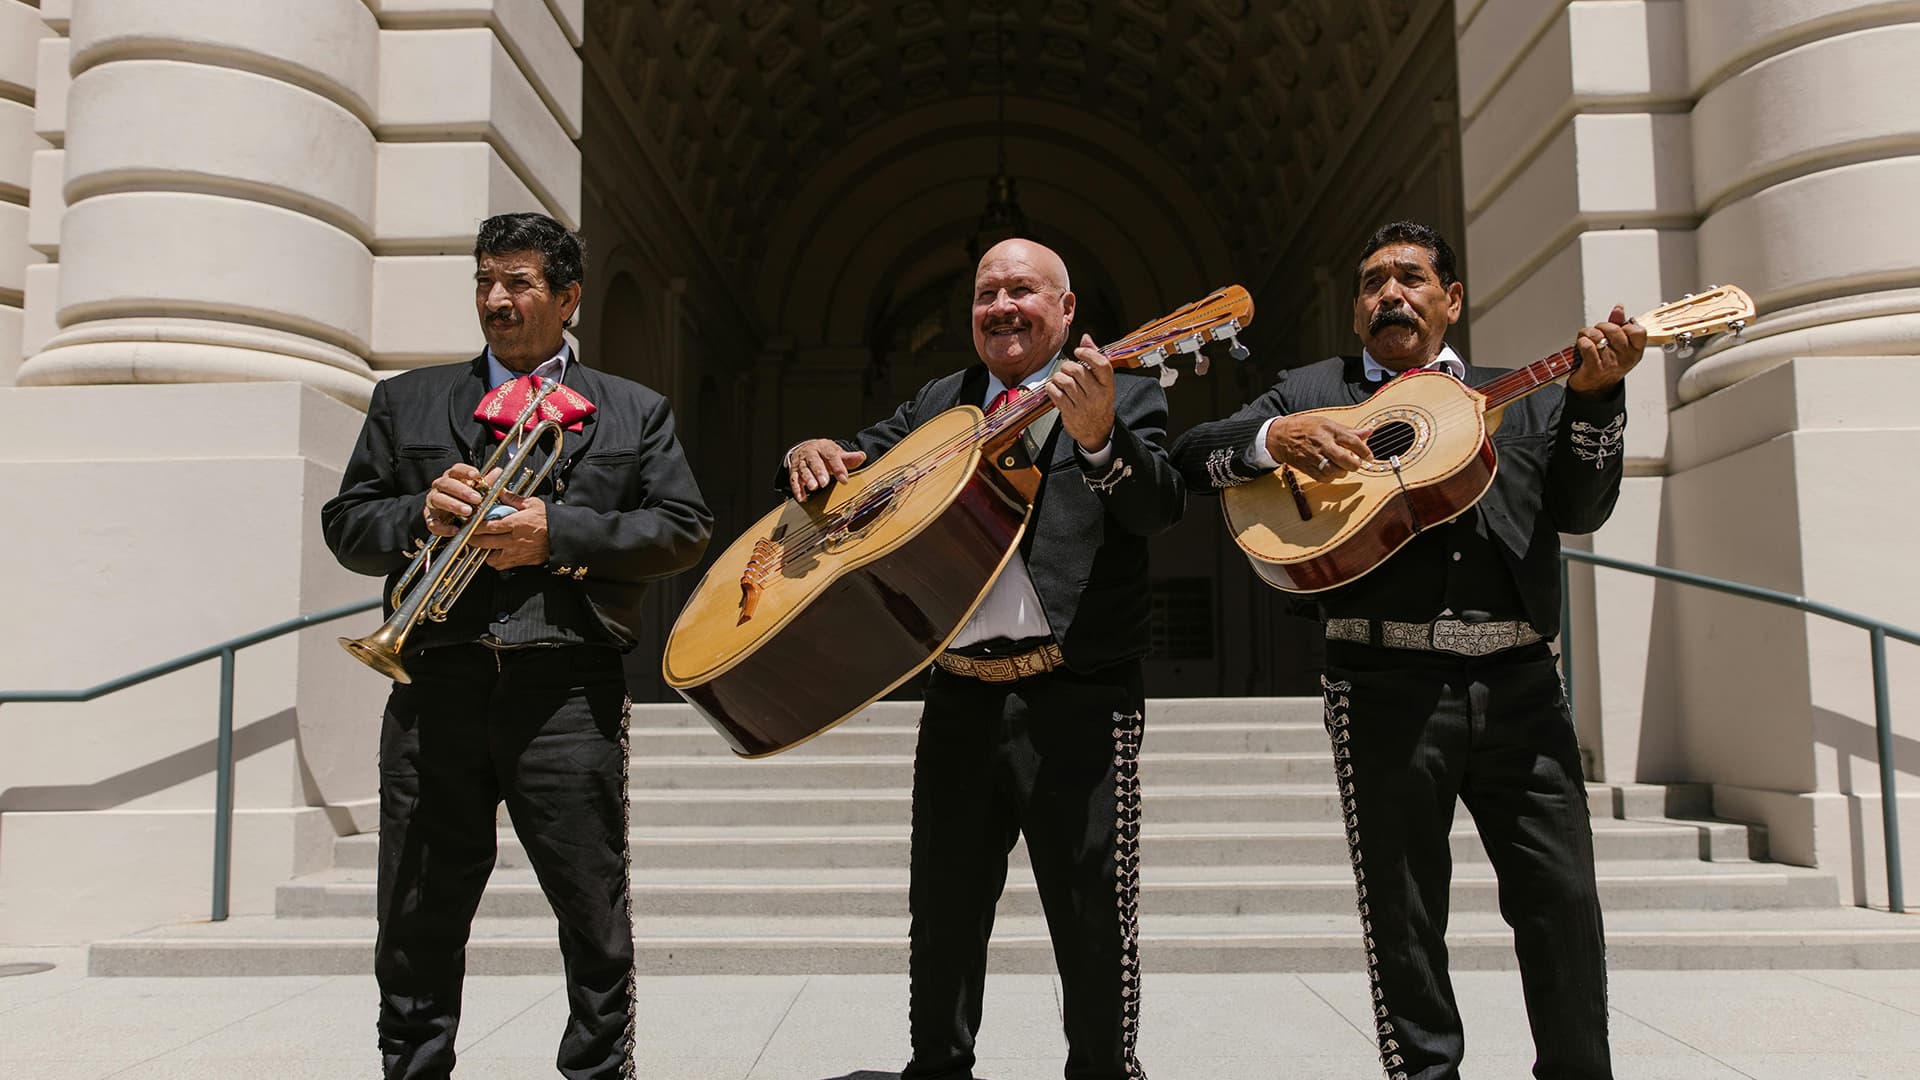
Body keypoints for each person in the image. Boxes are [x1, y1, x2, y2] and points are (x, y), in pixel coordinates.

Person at [1169, 220, 1644, 1080]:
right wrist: (1277, 440)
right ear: (1356, 311)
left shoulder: (1525, 394)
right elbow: (1191, 454)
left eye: (1411, 277)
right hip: (1381, 679)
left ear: (1450, 299)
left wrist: (1599, 400)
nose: (1390, 293)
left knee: (1563, 899)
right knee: (1404, 911)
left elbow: (1583, 509)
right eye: (1372, 282)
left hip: (1522, 682)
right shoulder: (1317, 388)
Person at [321, 211, 712, 1080]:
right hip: (435, 687)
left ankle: (597, 1073)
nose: (497, 299)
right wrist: (418, 512)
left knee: (591, 910)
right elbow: (346, 525)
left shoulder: (632, 410)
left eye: (519, 283)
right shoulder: (407, 400)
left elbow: (683, 528)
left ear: (567, 298)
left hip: (565, 691)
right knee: (417, 912)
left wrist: (560, 533)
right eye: (485, 281)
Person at [782, 238, 1184, 1080]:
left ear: (1066, 311)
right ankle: (939, 1068)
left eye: (1022, 291)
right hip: (960, 696)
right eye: (986, 293)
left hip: (1076, 696)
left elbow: (1157, 509)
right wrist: (812, 455)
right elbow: (853, 468)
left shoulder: (1127, 393)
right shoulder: (942, 399)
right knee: (944, 912)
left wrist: (1101, 437)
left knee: (1090, 913)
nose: (1001, 306)